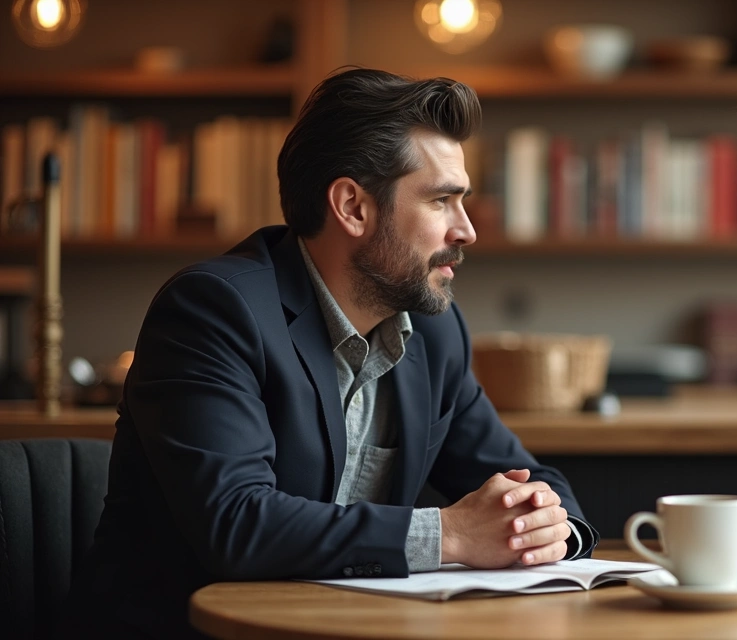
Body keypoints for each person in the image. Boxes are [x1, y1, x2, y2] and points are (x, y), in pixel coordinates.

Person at [64, 68, 599, 639]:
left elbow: (531, 477)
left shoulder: (435, 332)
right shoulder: (212, 311)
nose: (466, 230)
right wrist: (452, 534)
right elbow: (237, 524)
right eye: (442, 200)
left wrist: (544, 526)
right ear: (353, 207)